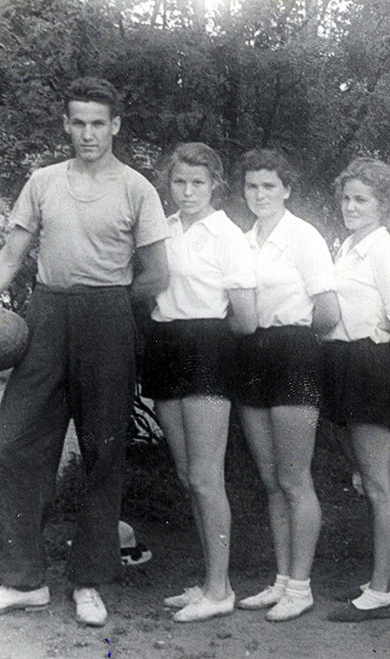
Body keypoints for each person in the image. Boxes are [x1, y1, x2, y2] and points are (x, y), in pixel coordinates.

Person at [0, 77, 169, 627]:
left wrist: (110, 305)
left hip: (108, 318)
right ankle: (22, 580)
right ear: (66, 125)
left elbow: (157, 274)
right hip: (46, 314)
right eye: (79, 122)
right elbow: (9, 255)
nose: (88, 133)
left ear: (114, 126)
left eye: (99, 123)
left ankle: (89, 581)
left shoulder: (138, 188)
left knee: (103, 450)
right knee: (11, 445)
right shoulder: (43, 182)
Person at [144, 143, 257, 622]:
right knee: (189, 475)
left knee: (208, 478)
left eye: (198, 183)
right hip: (166, 344)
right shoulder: (162, 230)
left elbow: (247, 319)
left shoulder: (228, 235)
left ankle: (219, 590)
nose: (187, 192)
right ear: (167, 185)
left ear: (215, 186)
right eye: (178, 182)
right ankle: (210, 580)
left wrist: (207, 341)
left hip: (208, 347)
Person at [231, 148, 339, 623]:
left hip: (295, 351)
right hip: (252, 352)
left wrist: (294, 340)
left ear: (287, 190)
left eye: (269, 186)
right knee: (271, 478)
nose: (259, 195)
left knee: (295, 478)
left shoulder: (304, 236)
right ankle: (280, 582)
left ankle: (301, 586)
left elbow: (330, 311)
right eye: (252, 186)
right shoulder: (241, 240)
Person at [321, 158, 390, 622]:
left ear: (384, 204)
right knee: (367, 477)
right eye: (346, 197)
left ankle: (380, 593)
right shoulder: (347, 247)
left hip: (370, 363)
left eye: (362, 199)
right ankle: (389, 578)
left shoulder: (385, 251)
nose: (351, 206)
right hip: (341, 361)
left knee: (379, 485)